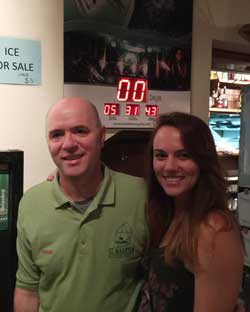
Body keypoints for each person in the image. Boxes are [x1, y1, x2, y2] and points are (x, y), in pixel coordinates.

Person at [14, 97, 148, 312]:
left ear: (102, 137)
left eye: (80, 131)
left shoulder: (140, 196)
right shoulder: (31, 204)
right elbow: (27, 291)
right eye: (57, 134)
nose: (68, 144)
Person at [138, 111, 244, 311]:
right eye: (161, 155)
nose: (169, 167)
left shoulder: (214, 228)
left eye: (183, 155)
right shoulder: (168, 215)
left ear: (203, 161)